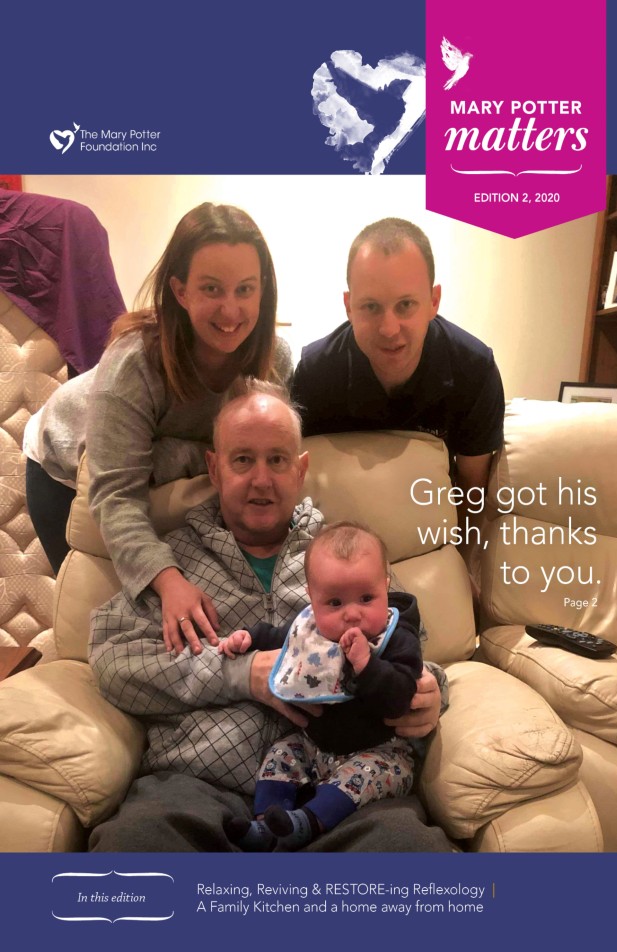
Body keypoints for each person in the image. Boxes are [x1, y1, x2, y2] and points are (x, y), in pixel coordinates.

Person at [87, 381, 453, 853]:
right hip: (198, 783)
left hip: (343, 783)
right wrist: (239, 674)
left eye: (277, 460)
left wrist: (429, 691)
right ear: (214, 468)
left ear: (301, 470)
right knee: (135, 844)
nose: (261, 479)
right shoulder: (174, 565)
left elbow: (414, 650)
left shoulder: (349, 558)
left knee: (409, 850)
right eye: (243, 459)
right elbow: (113, 660)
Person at [23, 203, 291, 648]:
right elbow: (115, 494)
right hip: (65, 469)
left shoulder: (275, 360)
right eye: (211, 288)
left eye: (245, 289)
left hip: (155, 467)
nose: (231, 310)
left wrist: (173, 454)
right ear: (180, 291)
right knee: (109, 627)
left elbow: (264, 457)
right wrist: (166, 579)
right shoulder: (135, 362)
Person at [219, 520, 424, 852]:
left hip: (379, 752)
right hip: (312, 746)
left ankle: (304, 824)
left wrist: (367, 665)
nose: (352, 614)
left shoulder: (396, 637)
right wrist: (248, 638)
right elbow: (280, 639)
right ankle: (267, 824)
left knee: (366, 774)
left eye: (366, 598)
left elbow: (400, 697)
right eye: (335, 603)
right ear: (312, 600)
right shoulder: (309, 630)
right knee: (280, 755)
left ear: (386, 588)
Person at [291, 217, 505, 496]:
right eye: (371, 306)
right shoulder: (315, 373)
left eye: (405, 304)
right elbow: (298, 484)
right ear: (349, 307)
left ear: (433, 301)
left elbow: (471, 495)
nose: (389, 329)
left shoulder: (474, 371)